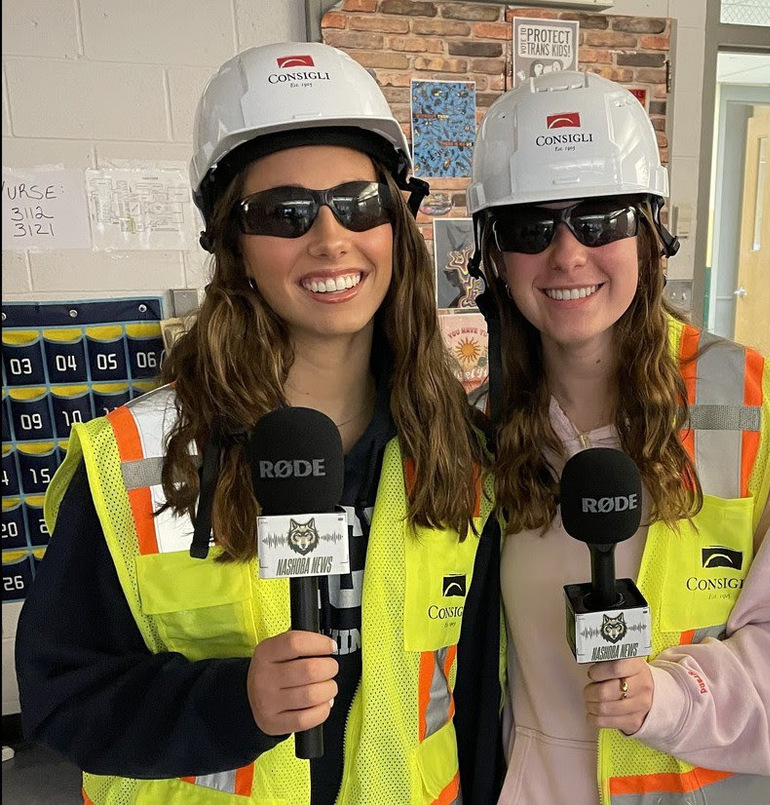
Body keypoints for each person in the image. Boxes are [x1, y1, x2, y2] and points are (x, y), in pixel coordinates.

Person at [15, 42, 503, 805]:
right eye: (285, 213)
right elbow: (60, 694)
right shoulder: (138, 458)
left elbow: (471, 692)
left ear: (395, 221)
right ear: (231, 243)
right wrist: (231, 702)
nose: (331, 236)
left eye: (359, 201)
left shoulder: (459, 449)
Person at [467, 70, 770, 805]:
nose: (567, 254)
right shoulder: (471, 432)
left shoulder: (747, 405)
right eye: (530, 227)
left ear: (651, 235)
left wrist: (673, 697)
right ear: (492, 254)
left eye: (600, 219)